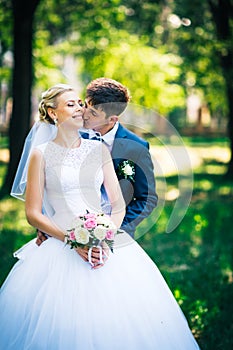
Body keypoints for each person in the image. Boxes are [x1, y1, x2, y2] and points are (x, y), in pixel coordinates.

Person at [0, 84, 200, 349]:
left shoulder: (101, 149)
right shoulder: (42, 154)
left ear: (111, 118)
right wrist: (70, 237)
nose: (81, 109)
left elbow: (122, 204)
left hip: (104, 239)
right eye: (74, 104)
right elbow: (33, 212)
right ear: (52, 112)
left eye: (81, 104)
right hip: (60, 243)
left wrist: (105, 237)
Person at [37, 78, 158, 263]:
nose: (83, 113)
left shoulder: (136, 147)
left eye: (92, 113)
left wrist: (111, 232)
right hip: (68, 229)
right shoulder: (70, 133)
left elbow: (147, 197)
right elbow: (54, 183)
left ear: (112, 119)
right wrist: (46, 224)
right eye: (85, 105)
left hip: (115, 231)